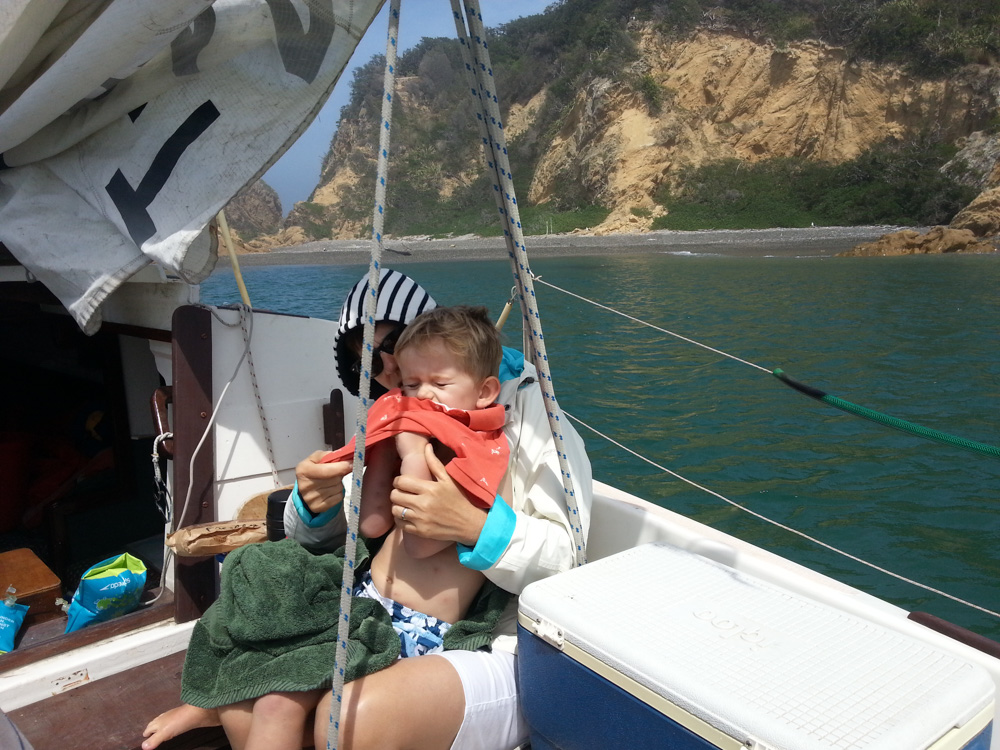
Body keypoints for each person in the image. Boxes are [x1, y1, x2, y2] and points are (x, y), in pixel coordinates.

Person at [142, 268, 593, 750]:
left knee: (347, 719)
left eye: (395, 345)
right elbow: (358, 527)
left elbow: (569, 560)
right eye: (371, 363)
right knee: (249, 702)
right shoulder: (395, 414)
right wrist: (314, 506)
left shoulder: (532, 419)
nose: (390, 370)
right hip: (368, 600)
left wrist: (475, 526)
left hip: (494, 641)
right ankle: (214, 701)